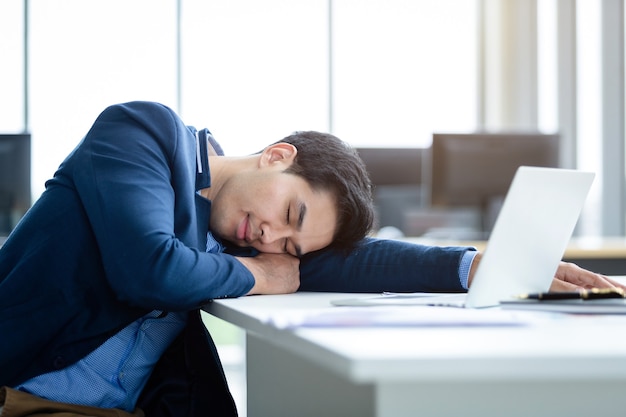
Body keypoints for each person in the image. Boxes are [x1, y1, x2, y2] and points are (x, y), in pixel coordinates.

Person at [0, 101, 622, 417]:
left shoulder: (249, 237)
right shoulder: (143, 134)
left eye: (290, 247)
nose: (272, 240)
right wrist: (259, 274)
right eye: (291, 217)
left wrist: (472, 266)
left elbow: (355, 262)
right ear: (276, 155)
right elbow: (149, 267)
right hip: (25, 392)